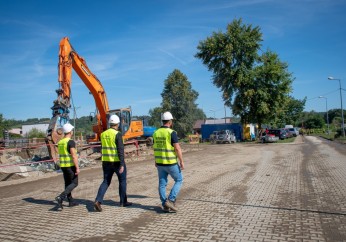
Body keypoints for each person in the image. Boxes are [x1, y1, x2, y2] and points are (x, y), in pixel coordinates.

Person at [94, 114, 132, 212]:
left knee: (106, 181)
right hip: (116, 162)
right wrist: (122, 164)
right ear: (118, 124)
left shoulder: (103, 134)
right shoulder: (117, 134)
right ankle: (123, 202)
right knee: (122, 181)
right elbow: (120, 150)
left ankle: (98, 201)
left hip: (106, 162)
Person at [153, 111, 184, 212]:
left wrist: (156, 161)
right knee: (179, 180)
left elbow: (155, 148)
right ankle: (170, 200)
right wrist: (181, 161)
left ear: (162, 121)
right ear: (170, 121)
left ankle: (164, 204)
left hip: (160, 164)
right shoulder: (171, 132)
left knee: (162, 184)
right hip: (171, 163)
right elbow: (177, 148)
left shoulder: (156, 133)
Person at [55, 123, 80, 209]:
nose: (72, 132)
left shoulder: (60, 142)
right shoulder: (70, 142)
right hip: (70, 166)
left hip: (63, 166)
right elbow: (73, 155)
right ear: (70, 132)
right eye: (72, 130)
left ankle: (70, 201)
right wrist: (77, 167)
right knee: (74, 183)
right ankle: (61, 197)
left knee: (67, 183)